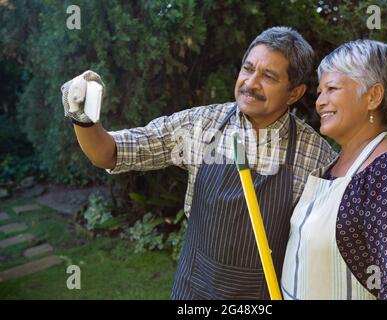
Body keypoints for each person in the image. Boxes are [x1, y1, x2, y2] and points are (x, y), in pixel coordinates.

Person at [61, 26, 336, 299]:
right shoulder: (200, 126)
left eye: (268, 76)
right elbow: (109, 153)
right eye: (248, 69)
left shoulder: (316, 158)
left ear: (294, 93)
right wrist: (83, 118)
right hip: (194, 293)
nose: (251, 83)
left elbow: (322, 255)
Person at [281, 39, 387, 300]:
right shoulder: (335, 164)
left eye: (332, 88)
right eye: (320, 91)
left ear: (373, 96)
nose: (319, 102)